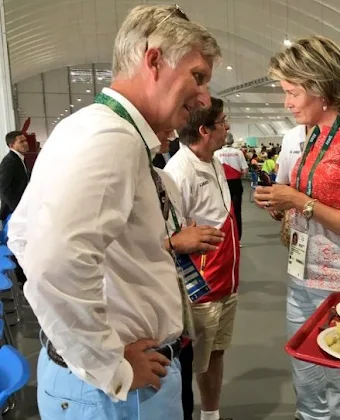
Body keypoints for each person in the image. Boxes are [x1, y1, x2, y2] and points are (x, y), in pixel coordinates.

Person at [6, 5, 221, 419]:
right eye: (197, 77)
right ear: (154, 59)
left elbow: (22, 233)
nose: (204, 98)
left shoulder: (90, 128)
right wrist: (111, 365)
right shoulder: (111, 139)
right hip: (116, 396)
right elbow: (53, 263)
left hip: (107, 386)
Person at [254, 35, 340, 420]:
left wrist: (298, 202)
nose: (287, 101)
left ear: (319, 87)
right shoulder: (314, 137)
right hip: (303, 277)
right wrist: (285, 207)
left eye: (292, 92)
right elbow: (314, 204)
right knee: (308, 381)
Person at [165, 98, 239, 420]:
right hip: (201, 288)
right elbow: (169, 238)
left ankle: (212, 415)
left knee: (216, 353)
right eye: (223, 122)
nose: (228, 127)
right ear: (204, 130)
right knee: (193, 361)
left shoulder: (215, 162)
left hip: (226, 281)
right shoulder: (178, 173)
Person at [154, 130, 225, 420]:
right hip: (147, 317)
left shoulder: (162, 178)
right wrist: (173, 243)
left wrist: (183, 234)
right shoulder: (177, 170)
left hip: (177, 298)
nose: (171, 133)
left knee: (181, 379)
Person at [215, 133, 249, 241]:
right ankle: (238, 239)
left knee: (223, 211)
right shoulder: (238, 153)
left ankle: (224, 238)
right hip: (236, 183)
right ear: (233, 140)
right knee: (237, 211)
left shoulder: (216, 153)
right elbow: (245, 170)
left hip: (222, 183)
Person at [0, 131, 29, 222]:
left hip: (21, 209)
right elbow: (3, 188)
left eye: (26, 140)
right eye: (21, 142)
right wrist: (17, 209)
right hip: (13, 212)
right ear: (11, 145)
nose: (26, 143)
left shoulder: (20, 159)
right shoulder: (10, 161)